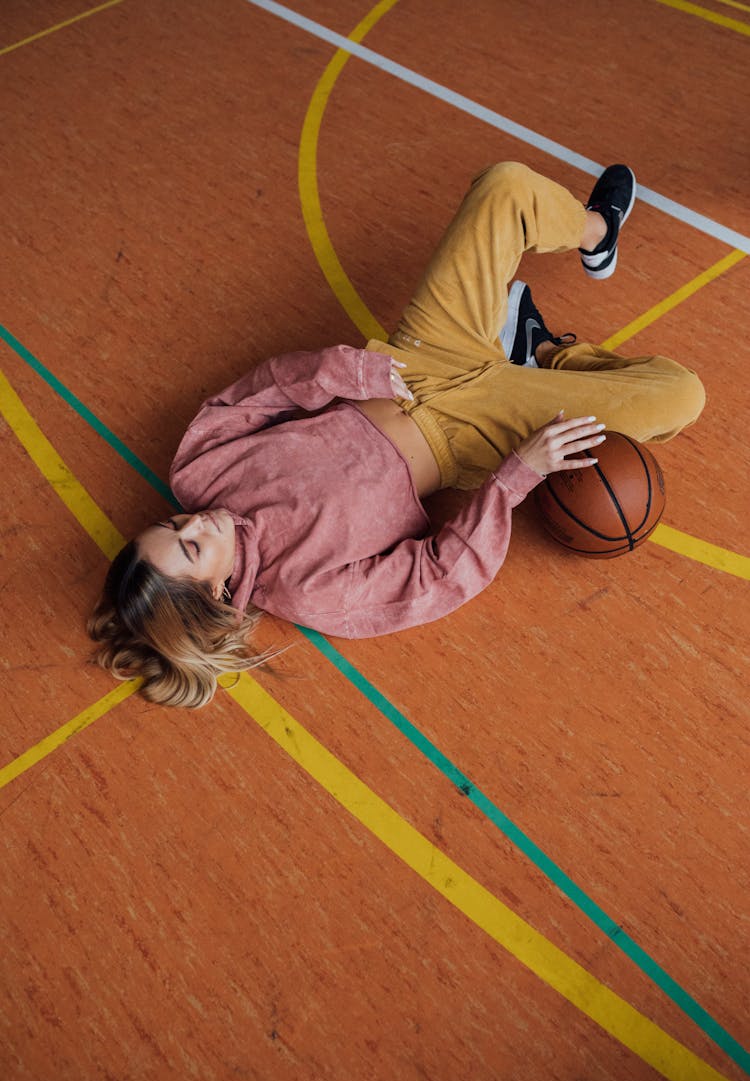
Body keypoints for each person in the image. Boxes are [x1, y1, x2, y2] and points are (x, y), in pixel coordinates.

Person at [88, 161, 705, 708]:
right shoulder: (309, 592)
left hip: (413, 360)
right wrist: (518, 474)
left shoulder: (198, 472)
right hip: (473, 436)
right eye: (193, 547)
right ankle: (542, 352)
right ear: (221, 594)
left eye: (173, 525)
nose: (195, 521)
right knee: (682, 395)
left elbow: (263, 390)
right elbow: (439, 577)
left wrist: (352, 370)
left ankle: (598, 232)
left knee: (503, 187)